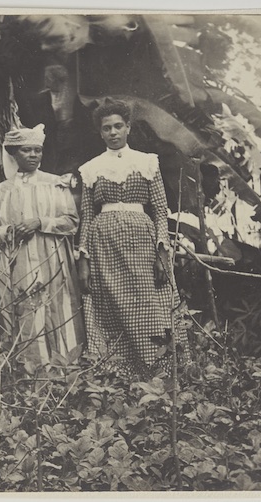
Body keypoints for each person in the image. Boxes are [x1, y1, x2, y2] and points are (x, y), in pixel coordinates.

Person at [77, 98, 187, 379]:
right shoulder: (91, 168)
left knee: (150, 306)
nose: (113, 133)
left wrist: (162, 255)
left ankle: (159, 372)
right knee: (111, 309)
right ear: (100, 133)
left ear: (128, 128)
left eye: (118, 126)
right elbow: (87, 217)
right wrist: (84, 260)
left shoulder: (147, 162)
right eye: (106, 128)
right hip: (104, 246)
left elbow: (161, 211)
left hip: (142, 243)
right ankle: (120, 376)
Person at [0, 124, 85, 368]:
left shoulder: (56, 185)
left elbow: (72, 223)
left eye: (37, 151)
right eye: (27, 150)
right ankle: (29, 378)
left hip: (53, 261)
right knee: (23, 312)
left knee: (57, 311)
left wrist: (40, 222)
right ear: (15, 154)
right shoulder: (0, 192)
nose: (33, 156)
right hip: (16, 263)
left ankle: (64, 373)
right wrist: (10, 230)